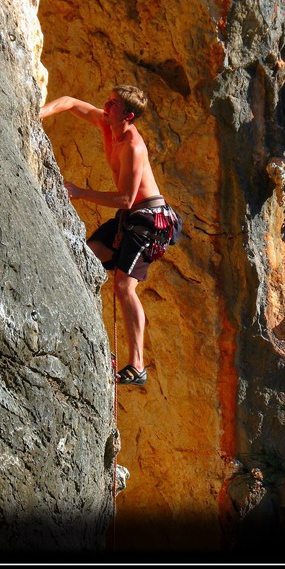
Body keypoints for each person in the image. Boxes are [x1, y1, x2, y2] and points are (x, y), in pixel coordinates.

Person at [40, 85, 176, 386]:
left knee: (125, 287)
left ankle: (137, 367)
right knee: (87, 254)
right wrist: (37, 115)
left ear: (127, 115)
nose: (105, 105)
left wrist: (81, 192)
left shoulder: (132, 146)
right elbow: (71, 102)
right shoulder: (106, 123)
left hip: (150, 221)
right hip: (131, 218)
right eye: (108, 100)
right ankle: (92, 338)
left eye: (113, 104)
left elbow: (127, 198)